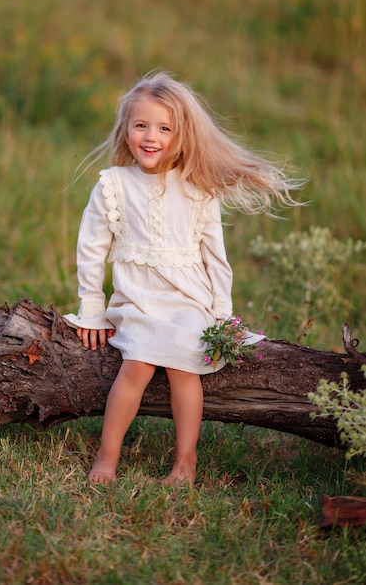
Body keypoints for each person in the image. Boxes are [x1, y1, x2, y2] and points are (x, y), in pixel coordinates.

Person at [63, 71, 303, 486]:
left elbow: (216, 258)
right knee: (136, 364)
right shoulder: (113, 185)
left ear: (182, 135)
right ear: (125, 131)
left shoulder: (197, 189)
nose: (150, 136)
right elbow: (91, 249)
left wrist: (223, 315)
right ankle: (107, 456)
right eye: (141, 125)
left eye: (164, 128)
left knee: (184, 370)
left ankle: (185, 462)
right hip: (137, 299)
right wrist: (92, 308)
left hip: (190, 300)